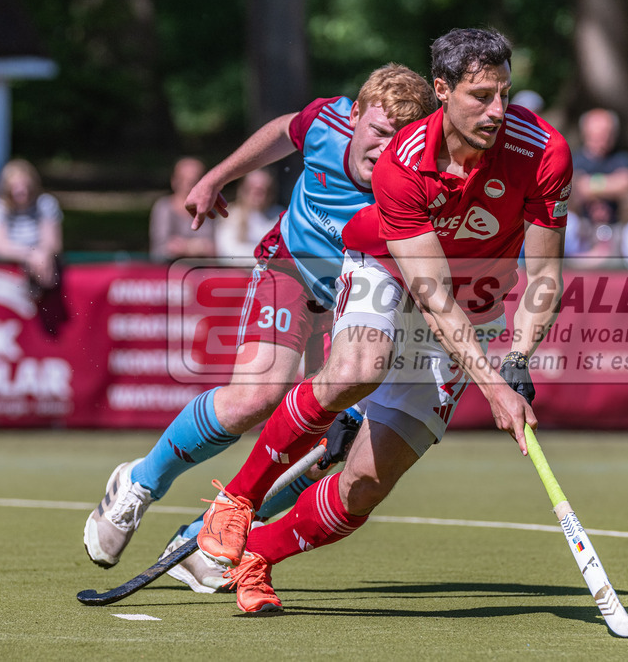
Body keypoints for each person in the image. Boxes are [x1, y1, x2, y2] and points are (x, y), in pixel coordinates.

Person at [194, 27, 572, 614]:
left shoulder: (544, 152)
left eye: (505, 93)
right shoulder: (403, 162)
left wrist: (518, 359)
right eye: (480, 96)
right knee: (361, 367)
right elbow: (432, 293)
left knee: (365, 485)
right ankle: (239, 499)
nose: (498, 110)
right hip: (388, 267)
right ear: (442, 91)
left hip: (475, 301)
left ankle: (260, 554)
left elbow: (545, 276)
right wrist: (493, 387)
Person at [83, 64, 439, 593]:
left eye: (399, 141)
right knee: (256, 397)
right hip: (291, 268)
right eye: (379, 132)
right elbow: (280, 131)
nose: (386, 150)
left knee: (321, 443)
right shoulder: (326, 122)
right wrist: (216, 177)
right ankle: (139, 482)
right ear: (356, 115)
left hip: (360, 299)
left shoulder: (417, 178)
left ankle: (207, 538)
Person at [0, 159, 68, 335]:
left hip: (44, 266)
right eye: (15, 186)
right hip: (12, 272)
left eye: (25, 185)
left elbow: (52, 242)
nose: (21, 191)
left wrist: (41, 256)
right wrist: (31, 255)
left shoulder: (45, 204)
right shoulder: (0, 208)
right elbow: (1, 247)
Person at [571, 107, 628, 224]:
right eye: (598, 134)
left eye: (608, 133)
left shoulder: (623, 158)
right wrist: (611, 184)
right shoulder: (574, 160)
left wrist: (589, 184)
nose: (604, 138)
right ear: (585, 133)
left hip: (617, 224)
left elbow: (626, 185)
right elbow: (576, 188)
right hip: (581, 224)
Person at [149, 157, 216, 262]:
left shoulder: (209, 209)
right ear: (174, 181)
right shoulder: (163, 207)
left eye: (195, 180)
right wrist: (197, 247)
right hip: (167, 268)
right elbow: (162, 247)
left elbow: (213, 248)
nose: (189, 185)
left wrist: (183, 247)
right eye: (184, 180)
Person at [214, 169, 283, 258]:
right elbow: (227, 252)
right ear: (243, 189)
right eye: (253, 189)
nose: (257, 195)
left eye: (264, 190)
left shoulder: (279, 216)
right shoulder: (231, 214)